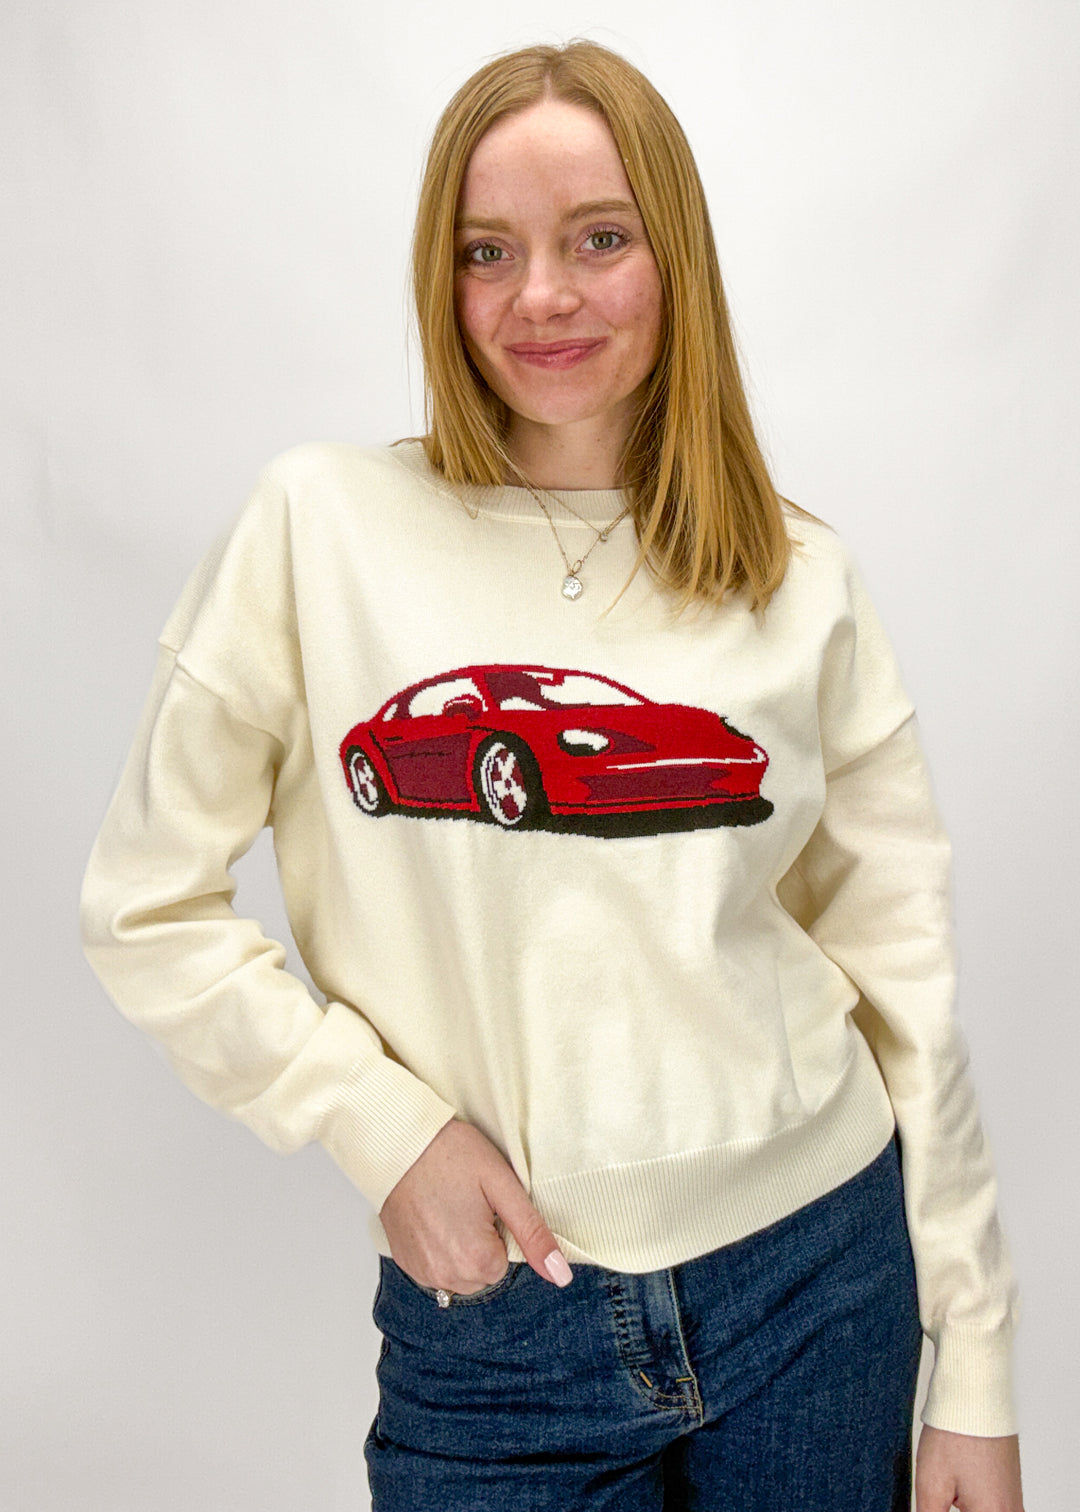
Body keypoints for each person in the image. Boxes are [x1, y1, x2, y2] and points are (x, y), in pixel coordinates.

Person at [80, 38, 1024, 1512]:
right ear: (439, 278)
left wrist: (972, 1367)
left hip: (819, 1286)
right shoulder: (319, 528)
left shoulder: (794, 574)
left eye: (599, 238)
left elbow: (902, 975)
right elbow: (144, 905)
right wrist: (376, 1122)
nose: (542, 295)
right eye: (487, 249)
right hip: (501, 1324)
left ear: (675, 259)